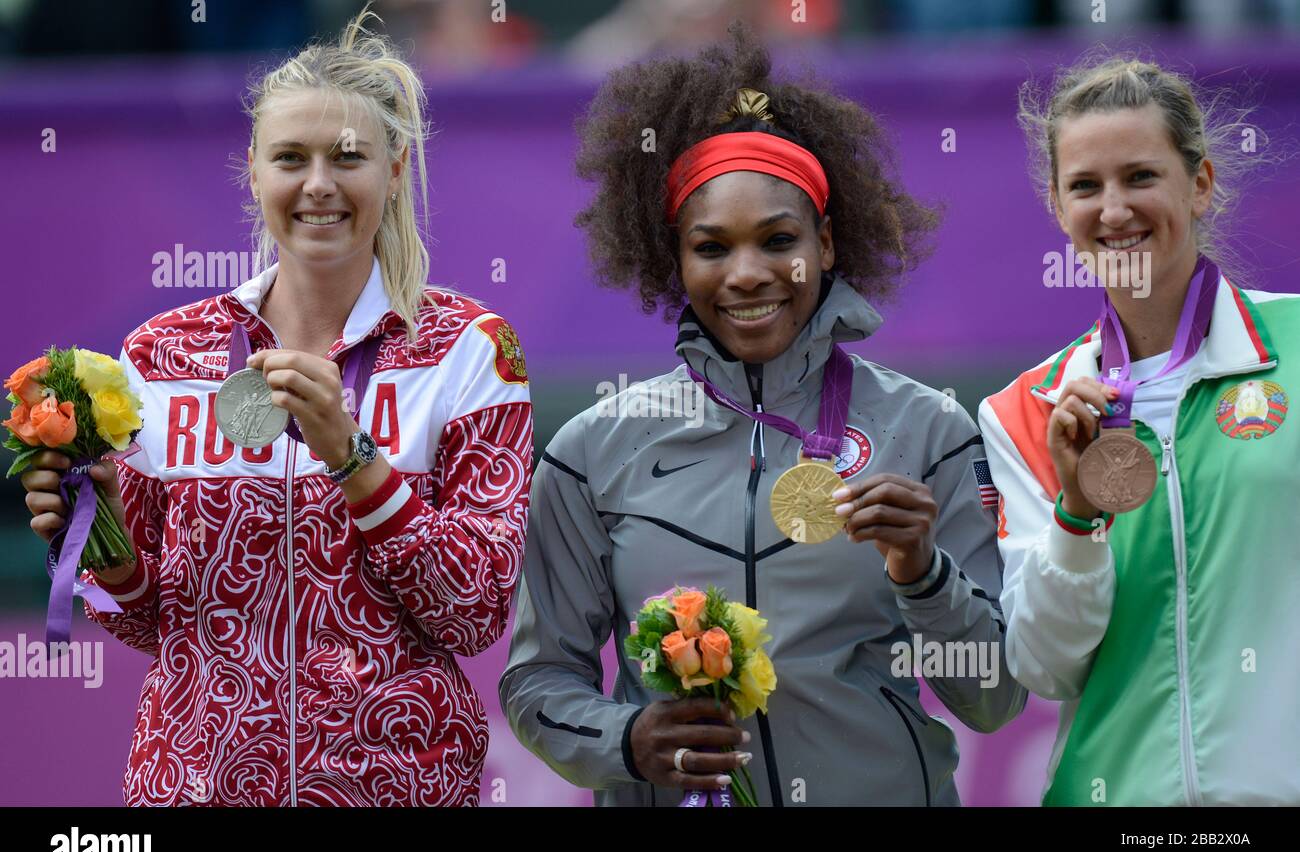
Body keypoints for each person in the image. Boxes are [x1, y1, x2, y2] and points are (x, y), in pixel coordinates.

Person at [17, 8, 533, 806]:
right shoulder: (164, 352)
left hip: (399, 786)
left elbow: (474, 612)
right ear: (253, 172)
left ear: (395, 169)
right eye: (290, 157)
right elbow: (149, 618)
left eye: (348, 157)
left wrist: (354, 459)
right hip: (193, 785)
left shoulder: (471, 350)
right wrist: (104, 541)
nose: (318, 183)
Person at [500, 27, 1025, 807]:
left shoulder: (930, 431)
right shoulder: (589, 451)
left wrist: (925, 573)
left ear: (828, 240)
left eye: (779, 240)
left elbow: (994, 698)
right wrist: (624, 742)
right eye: (712, 247)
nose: (748, 274)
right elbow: (539, 680)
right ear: (673, 258)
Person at [979, 55, 1299, 805]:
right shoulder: (1025, 409)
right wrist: (1077, 512)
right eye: (1085, 186)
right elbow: (1045, 665)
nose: (1114, 209)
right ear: (1058, 206)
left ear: (1201, 183)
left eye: (1141, 177)